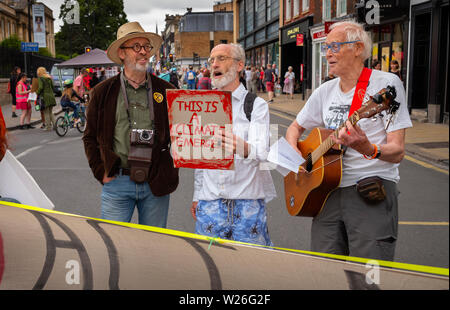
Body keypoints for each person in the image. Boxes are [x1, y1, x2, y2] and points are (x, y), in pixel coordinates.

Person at [285, 21, 412, 261]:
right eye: (326, 47)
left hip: (369, 188)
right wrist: (295, 152)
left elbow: (397, 151)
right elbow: (295, 127)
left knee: (369, 275)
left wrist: (367, 148)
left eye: (334, 46)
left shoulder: (386, 86)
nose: (328, 53)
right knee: (324, 272)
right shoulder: (325, 90)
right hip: (326, 192)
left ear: (357, 48)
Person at [83, 21, 179, 228]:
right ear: (122, 53)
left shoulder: (167, 90)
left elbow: (182, 134)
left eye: (146, 47)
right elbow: (89, 137)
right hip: (117, 182)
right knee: (113, 245)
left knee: (155, 245)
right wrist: (100, 171)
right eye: (136, 47)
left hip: (155, 182)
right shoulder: (102, 92)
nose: (143, 52)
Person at [191, 43, 276, 246]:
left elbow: (265, 155)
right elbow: (200, 158)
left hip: (247, 204)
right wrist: (197, 195)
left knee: (251, 269)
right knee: (210, 267)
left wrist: (243, 147)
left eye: (221, 58)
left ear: (239, 66)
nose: (214, 64)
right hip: (210, 204)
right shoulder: (202, 105)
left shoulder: (256, 105)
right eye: (211, 60)